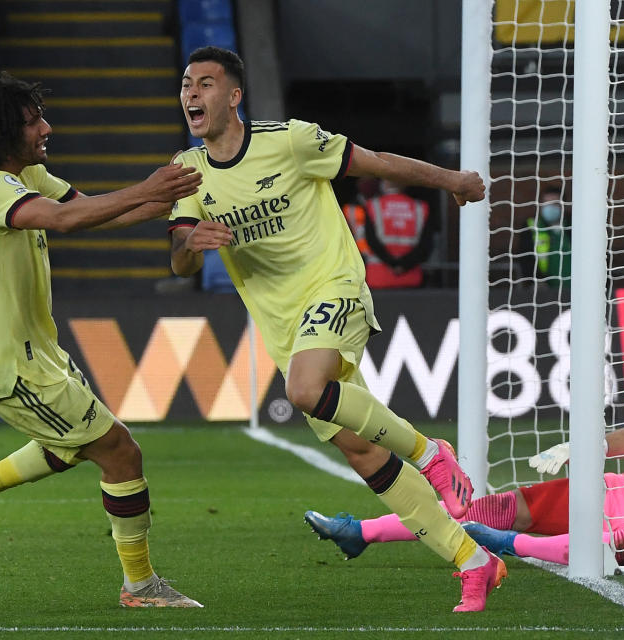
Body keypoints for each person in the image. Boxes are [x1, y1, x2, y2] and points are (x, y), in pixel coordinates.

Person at [168, 46, 504, 612]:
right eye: (186, 85)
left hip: (335, 286)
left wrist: (450, 179)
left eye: (204, 84)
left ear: (233, 96)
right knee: (362, 450)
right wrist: (190, 248)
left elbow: (374, 162)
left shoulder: (291, 140)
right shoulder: (187, 172)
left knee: (303, 390)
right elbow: (178, 257)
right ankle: (473, 562)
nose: (191, 94)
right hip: (283, 324)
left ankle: (429, 451)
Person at [0, 73, 204, 608]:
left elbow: (93, 209)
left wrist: (185, 196)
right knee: (120, 453)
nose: (46, 129)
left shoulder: (21, 173)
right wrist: (151, 188)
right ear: (6, 130)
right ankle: (140, 586)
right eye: (34, 122)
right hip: (11, 366)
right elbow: (65, 220)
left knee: (71, 446)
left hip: (37, 355)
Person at [305, 397, 624, 567]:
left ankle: (511, 546)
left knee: (609, 550)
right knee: (497, 509)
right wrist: (591, 445)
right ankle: (361, 532)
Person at [342, 179, 437, 288]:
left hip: (378, 276)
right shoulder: (420, 207)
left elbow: (371, 240)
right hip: (411, 277)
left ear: (384, 183)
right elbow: (426, 245)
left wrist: (392, 263)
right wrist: (403, 265)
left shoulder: (373, 205)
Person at [518, 185, 571, 290]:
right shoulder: (531, 226)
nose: (550, 208)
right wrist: (536, 281)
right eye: (546, 204)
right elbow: (525, 258)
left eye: (555, 204)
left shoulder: (575, 224)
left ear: (563, 206)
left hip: (575, 288)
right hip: (545, 290)